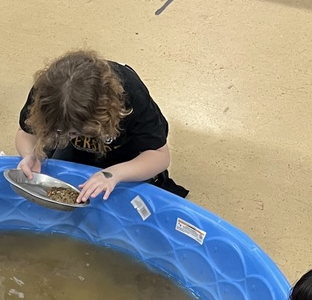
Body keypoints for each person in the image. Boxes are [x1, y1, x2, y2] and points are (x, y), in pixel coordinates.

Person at [15, 50, 187, 203]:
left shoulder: (130, 95)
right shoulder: (46, 92)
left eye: (75, 131)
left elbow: (160, 157)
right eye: (61, 131)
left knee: (125, 203)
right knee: (58, 189)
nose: (68, 135)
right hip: (77, 151)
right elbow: (26, 132)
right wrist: (30, 155)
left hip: (127, 153)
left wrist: (114, 175)